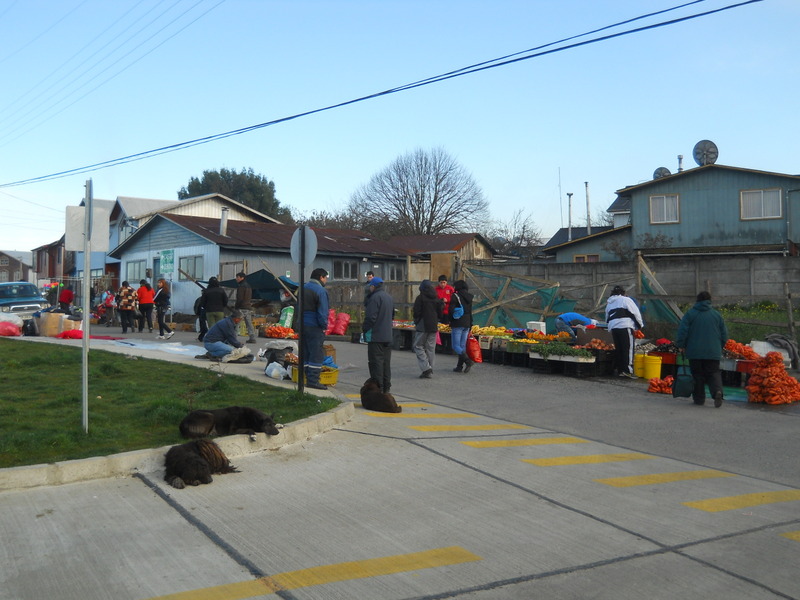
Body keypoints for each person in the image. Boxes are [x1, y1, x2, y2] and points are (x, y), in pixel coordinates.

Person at [676, 291, 728, 408]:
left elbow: (682, 332)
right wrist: (719, 346)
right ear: (710, 301)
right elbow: (724, 334)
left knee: (697, 375)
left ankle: (699, 399)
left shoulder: (690, 314)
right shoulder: (717, 315)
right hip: (713, 351)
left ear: (697, 301)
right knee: (714, 373)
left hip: (694, 352)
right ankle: (717, 392)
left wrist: (681, 345)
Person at [362, 277, 394, 393]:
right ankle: (386, 388)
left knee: (376, 363)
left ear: (373, 286)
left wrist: (364, 328)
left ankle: (378, 388)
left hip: (376, 336)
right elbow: (392, 316)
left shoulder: (374, 298)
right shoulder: (389, 297)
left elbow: (371, 317)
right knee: (386, 363)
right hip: (388, 335)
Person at [605, 285, 643, 378]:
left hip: (614, 327)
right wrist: (640, 326)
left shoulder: (609, 303)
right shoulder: (626, 300)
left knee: (619, 348)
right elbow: (635, 313)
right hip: (625, 326)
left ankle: (620, 370)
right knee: (628, 349)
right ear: (623, 293)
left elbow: (607, 318)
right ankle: (628, 371)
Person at [302, 268, 330, 390]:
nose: (326, 280)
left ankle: (305, 377)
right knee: (316, 354)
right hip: (315, 325)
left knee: (306, 353)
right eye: (326, 278)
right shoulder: (320, 291)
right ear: (321, 277)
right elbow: (322, 312)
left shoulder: (303, 288)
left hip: (303, 324)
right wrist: (324, 326)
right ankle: (313, 381)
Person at [413, 279, 443, 379]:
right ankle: (430, 368)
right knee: (430, 348)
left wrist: (416, 321)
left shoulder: (420, 298)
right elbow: (440, 313)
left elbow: (416, 312)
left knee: (418, 346)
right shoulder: (436, 298)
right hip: (433, 325)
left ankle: (426, 368)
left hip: (422, 325)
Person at [449, 280, 475, 373]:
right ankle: (459, 366)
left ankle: (468, 361)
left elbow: (451, 311)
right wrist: (471, 324)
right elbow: (470, 312)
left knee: (455, 346)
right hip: (467, 323)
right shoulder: (470, 297)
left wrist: (450, 321)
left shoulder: (455, 296)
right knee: (462, 346)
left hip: (458, 323)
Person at [235, 272, 258, 344]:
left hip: (241, 307)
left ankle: (233, 338)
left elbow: (240, 298)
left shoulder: (241, 286)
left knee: (236, 323)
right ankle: (252, 338)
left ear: (242, 278)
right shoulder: (248, 286)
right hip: (248, 307)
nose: (236, 279)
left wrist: (236, 306)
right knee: (249, 323)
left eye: (237, 277)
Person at [359, 271, 374, 344]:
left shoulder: (373, 285)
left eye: (370, 277)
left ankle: (370, 337)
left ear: (373, 277)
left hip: (372, 304)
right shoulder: (366, 285)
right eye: (368, 277)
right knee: (367, 320)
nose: (369, 278)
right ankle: (367, 337)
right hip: (367, 303)